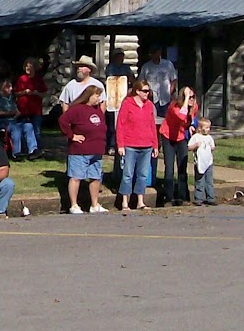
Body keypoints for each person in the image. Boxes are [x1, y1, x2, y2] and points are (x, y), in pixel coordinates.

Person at [58, 82, 107, 215]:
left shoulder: (98, 110)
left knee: (95, 177)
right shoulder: (77, 109)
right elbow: (63, 121)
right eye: (96, 96)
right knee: (76, 177)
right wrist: (71, 135)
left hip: (96, 150)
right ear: (88, 96)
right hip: (79, 150)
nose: (98, 99)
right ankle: (74, 205)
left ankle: (94, 204)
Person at [115, 80, 158, 212]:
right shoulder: (127, 104)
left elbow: (152, 125)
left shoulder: (149, 105)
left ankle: (140, 201)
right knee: (127, 174)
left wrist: (155, 145)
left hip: (146, 145)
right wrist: (120, 145)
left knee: (143, 174)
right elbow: (120, 125)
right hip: (130, 144)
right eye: (145, 91)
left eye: (148, 91)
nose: (147, 93)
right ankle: (125, 202)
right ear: (137, 91)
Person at [158, 86, 197, 207]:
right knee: (169, 168)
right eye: (188, 97)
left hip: (181, 137)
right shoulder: (173, 107)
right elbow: (181, 116)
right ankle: (168, 198)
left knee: (182, 167)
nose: (191, 100)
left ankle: (182, 196)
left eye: (193, 97)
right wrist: (185, 101)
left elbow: (191, 118)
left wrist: (190, 125)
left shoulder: (194, 107)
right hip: (168, 136)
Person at [12, 60, 46, 159]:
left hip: (35, 110)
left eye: (30, 66)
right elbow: (15, 93)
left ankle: (38, 151)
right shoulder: (21, 79)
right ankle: (25, 150)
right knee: (23, 129)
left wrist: (36, 93)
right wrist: (24, 92)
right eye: (26, 66)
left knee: (37, 131)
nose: (28, 68)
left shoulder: (39, 80)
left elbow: (44, 93)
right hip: (23, 110)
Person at [138, 46, 178, 125]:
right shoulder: (146, 67)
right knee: (153, 120)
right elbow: (141, 80)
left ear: (159, 53)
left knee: (166, 120)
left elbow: (174, 79)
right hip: (152, 97)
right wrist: (148, 91)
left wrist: (170, 91)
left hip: (165, 97)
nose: (154, 55)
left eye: (156, 53)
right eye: (152, 53)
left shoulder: (168, 64)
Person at [189, 117, 217, 206]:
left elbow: (213, 147)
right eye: (206, 128)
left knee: (209, 181)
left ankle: (211, 198)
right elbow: (189, 147)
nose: (208, 130)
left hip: (208, 162)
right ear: (200, 128)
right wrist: (196, 145)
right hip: (199, 163)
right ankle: (198, 199)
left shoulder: (209, 138)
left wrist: (211, 147)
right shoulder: (196, 137)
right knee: (199, 181)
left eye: (209, 128)